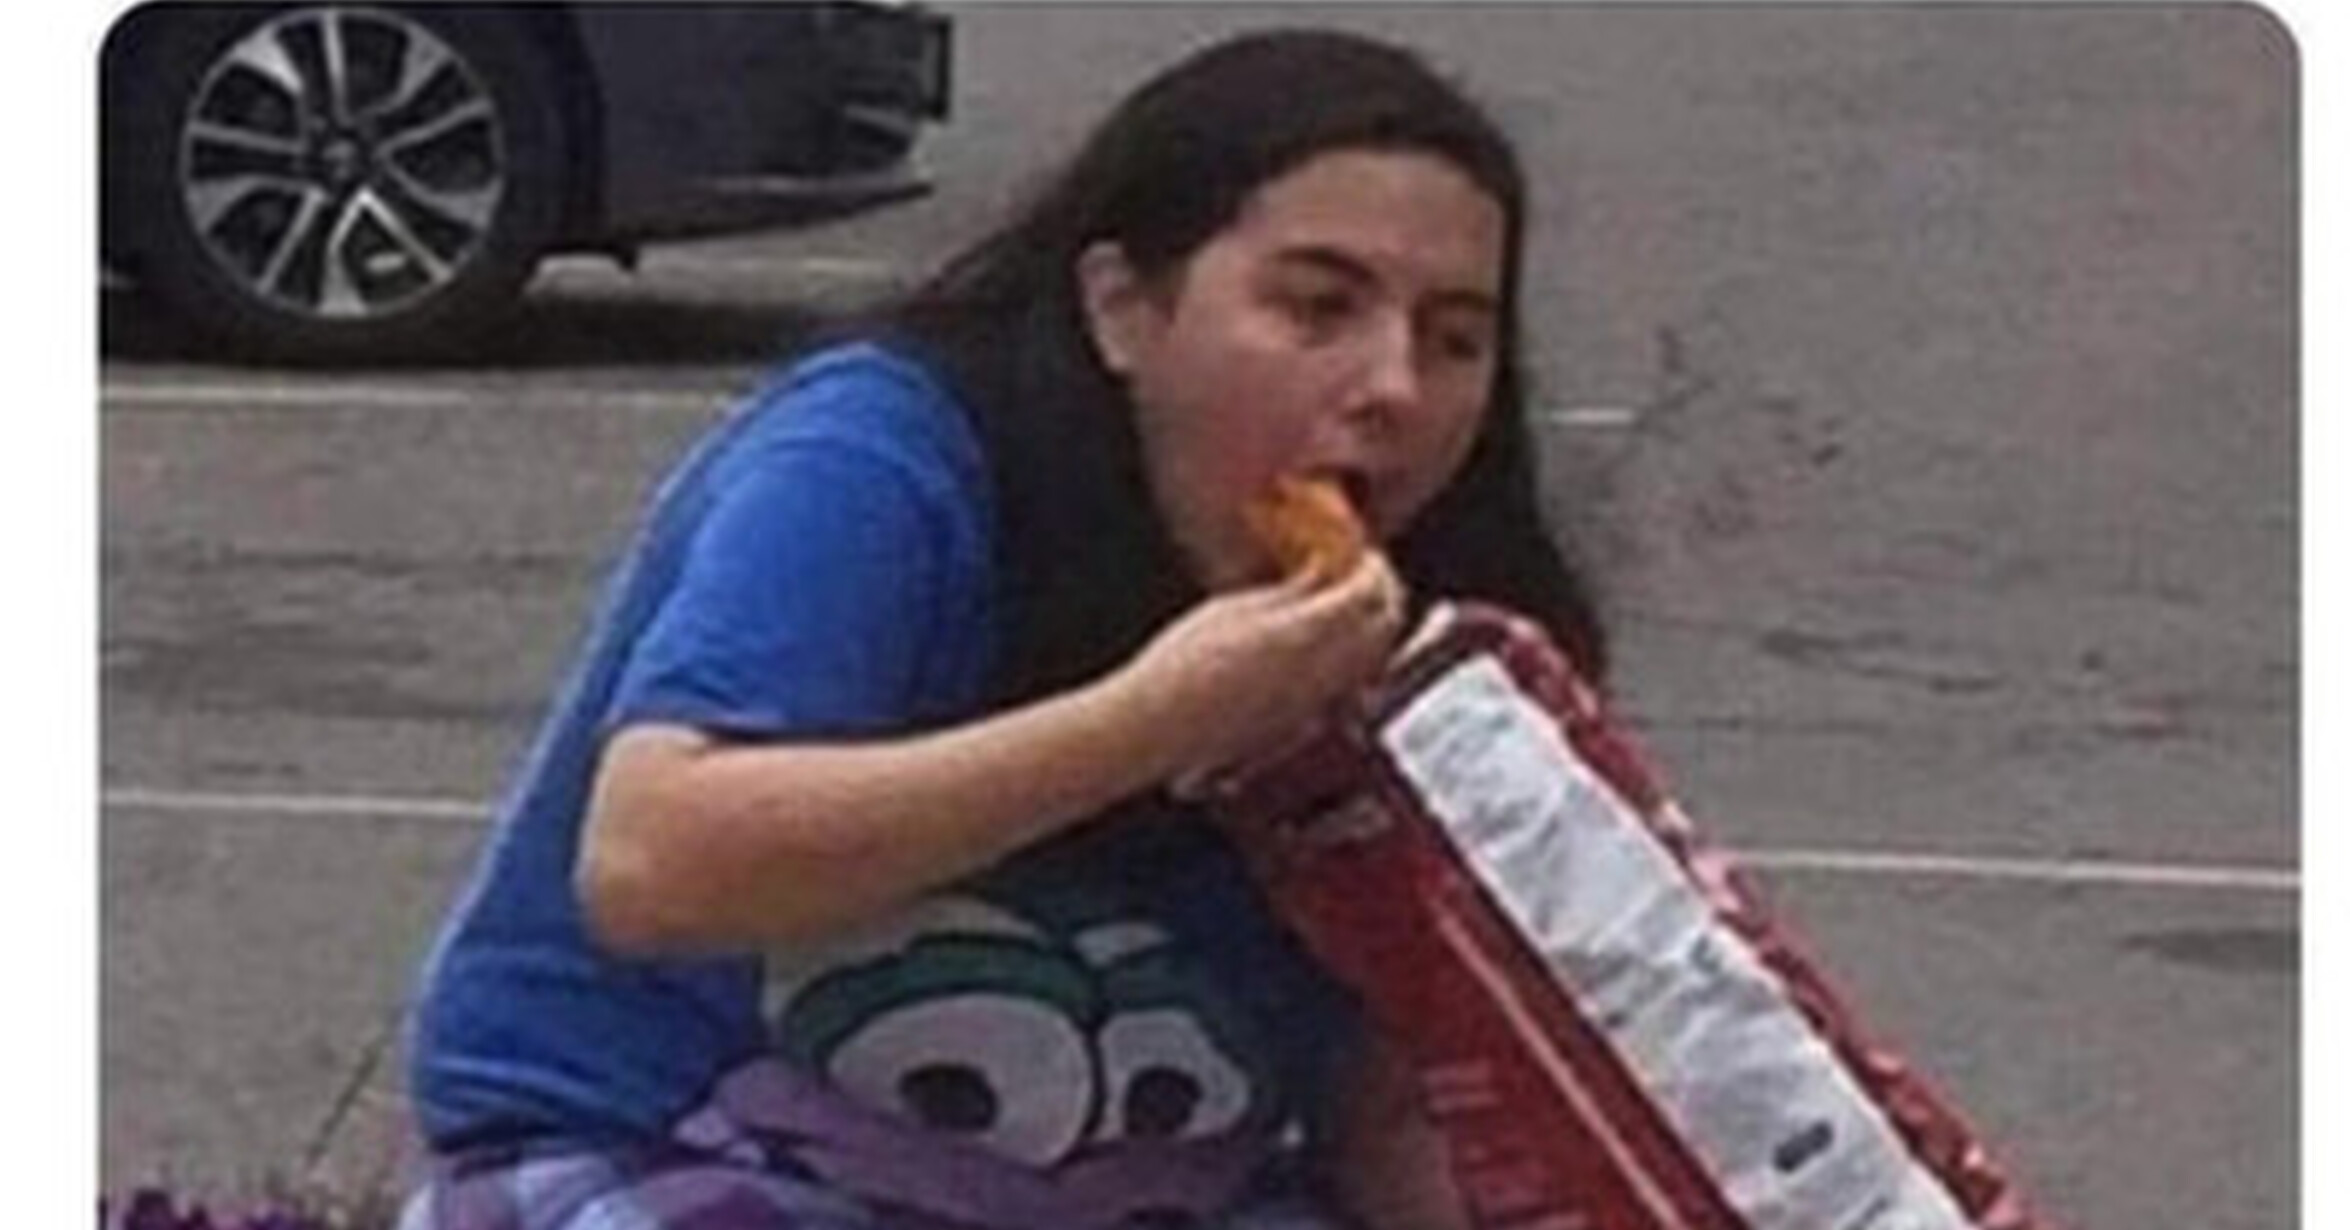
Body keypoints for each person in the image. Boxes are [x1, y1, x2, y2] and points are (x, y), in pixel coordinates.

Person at [398, 27, 1608, 1230]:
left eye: (1455, 339)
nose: (1392, 386)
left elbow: (1391, 1113)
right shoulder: (885, 458)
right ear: (1120, 307)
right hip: (678, 1158)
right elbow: (651, 865)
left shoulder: (1460, 639)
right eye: (1317, 309)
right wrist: (1155, 720)